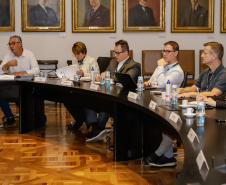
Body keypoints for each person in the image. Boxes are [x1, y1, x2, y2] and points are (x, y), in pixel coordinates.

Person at [85, 40, 141, 142]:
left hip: (123, 99)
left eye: (117, 53)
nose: (115, 55)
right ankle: (95, 127)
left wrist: (108, 76)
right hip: (108, 93)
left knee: (106, 103)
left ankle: (99, 129)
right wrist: (103, 75)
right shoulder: (112, 62)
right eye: (114, 52)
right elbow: (104, 73)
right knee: (88, 99)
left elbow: (125, 79)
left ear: (126, 52)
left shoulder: (134, 65)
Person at [142, 41, 184, 168]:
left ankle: (158, 153)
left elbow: (162, 85)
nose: (164, 54)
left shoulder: (177, 71)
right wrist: (148, 84)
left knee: (167, 127)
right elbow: (152, 81)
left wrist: (160, 67)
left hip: (170, 106)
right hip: (157, 102)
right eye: (163, 51)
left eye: (168, 51)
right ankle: (168, 157)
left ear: (176, 53)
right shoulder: (163, 66)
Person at [0, 35, 40, 126]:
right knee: (0, 94)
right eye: (9, 44)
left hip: (28, 86)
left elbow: (37, 70)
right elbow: (0, 71)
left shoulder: (29, 54)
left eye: (13, 43)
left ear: (20, 44)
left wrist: (21, 73)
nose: (11, 46)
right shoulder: (9, 56)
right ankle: (9, 117)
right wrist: (8, 64)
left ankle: (33, 116)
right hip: (13, 86)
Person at [65, 42, 100, 130]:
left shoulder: (91, 60)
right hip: (78, 86)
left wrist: (83, 73)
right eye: (75, 54)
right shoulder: (74, 60)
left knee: (82, 100)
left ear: (84, 52)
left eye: (78, 54)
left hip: (89, 87)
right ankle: (80, 119)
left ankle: (82, 120)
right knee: (67, 100)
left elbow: (96, 76)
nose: (76, 56)